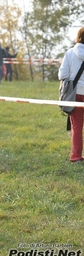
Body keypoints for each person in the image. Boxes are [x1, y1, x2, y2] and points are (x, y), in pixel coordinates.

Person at [58, 27, 84, 163]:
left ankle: (76, 156)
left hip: (75, 94)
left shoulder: (69, 53)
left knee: (77, 126)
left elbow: (62, 75)